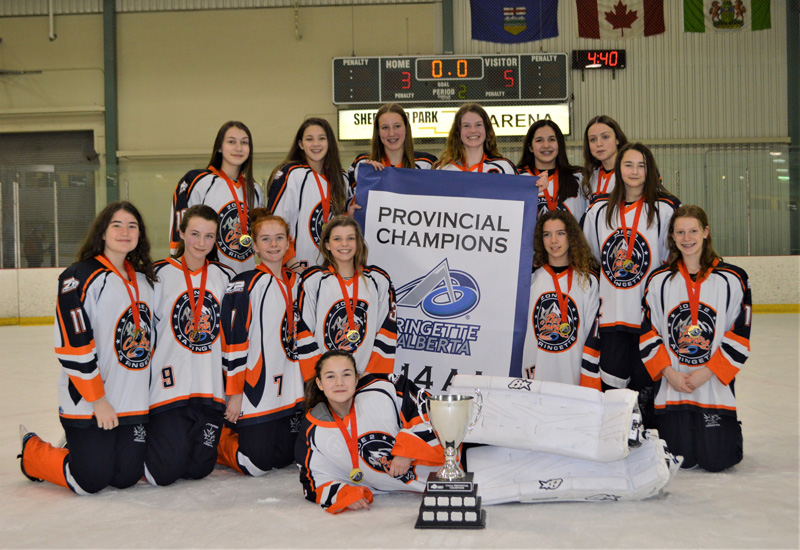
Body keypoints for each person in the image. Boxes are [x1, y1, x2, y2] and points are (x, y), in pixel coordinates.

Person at [18, 201, 156, 494]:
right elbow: (74, 345)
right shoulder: (77, 277)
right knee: (89, 481)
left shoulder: (144, 280)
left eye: (132, 226)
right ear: (102, 233)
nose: (124, 232)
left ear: (140, 235)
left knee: (125, 477)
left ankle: (80, 446)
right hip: (90, 401)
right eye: (116, 225)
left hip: (131, 402)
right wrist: (98, 400)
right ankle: (33, 452)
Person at [640, 205, 750, 471]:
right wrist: (669, 373)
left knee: (718, 461)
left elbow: (740, 333)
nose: (687, 238)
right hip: (673, 387)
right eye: (680, 232)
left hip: (712, 386)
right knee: (680, 460)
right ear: (673, 236)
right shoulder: (658, 280)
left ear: (705, 232)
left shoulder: (733, 278)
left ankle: (730, 429)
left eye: (693, 231)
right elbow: (648, 332)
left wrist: (708, 371)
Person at [581, 143, 680, 426]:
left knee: (646, 390)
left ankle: (648, 443)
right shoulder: (599, 209)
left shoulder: (666, 207)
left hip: (649, 320)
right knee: (613, 390)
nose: (635, 172)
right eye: (628, 165)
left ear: (650, 170)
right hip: (612, 317)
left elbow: (676, 257)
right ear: (618, 169)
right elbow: (588, 257)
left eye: (641, 166)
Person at [145, 204, 235, 486]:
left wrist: (234, 388)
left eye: (209, 236)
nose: (201, 243)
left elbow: (234, 341)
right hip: (169, 390)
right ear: (181, 233)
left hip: (209, 390)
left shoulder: (224, 277)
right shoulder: (157, 275)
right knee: (164, 473)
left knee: (198, 469)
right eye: (195, 234)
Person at [295, 350, 444, 514]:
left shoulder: (383, 390)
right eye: (330, 376)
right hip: (407, 502)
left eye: (346, 375)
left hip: (454, 473)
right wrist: (345, 494)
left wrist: (407, 450)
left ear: (357, 378)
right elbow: (312, 480)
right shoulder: (313, 427)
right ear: (320, 383)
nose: (339, 383)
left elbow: (432, 411)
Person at [218, 210, 305, 476]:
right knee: (254, 464)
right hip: (257, 391)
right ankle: (221, 439)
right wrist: (234, 395)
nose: (274, 244)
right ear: (254, 246)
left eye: (279, 238)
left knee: (288, 457)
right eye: (265, 239)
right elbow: (233, 342)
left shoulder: (299, 282)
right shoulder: (243, 284)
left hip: (291, 390)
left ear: (289, 241)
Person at [295, 215, 397, 382]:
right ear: (327, 245)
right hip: (325, 380)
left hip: (365, 376)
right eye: (337, 239)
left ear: (358, 243)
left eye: (351, 238)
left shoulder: (379, 279)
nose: (344, 244)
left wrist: (372, 376)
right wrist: (319, 378)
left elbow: (387, 330)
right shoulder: (312, 280)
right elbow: (303, 331)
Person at [169, 121, 264, 275]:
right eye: (231, 142)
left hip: (245, 277)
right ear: (219, 147)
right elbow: (180, 231)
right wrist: (178, 271)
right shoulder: (197, 181)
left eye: (244, 143)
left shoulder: (255, 190)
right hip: (208, 277)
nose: (238, 148)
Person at [521, 210, 601, 389]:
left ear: (571, 237)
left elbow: (591, 335)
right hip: (536, 377)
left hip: (573, 376)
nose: (553, 241)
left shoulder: (587, 281)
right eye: (547, 235)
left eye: (560, 233)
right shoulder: (531, 280)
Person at [268, 118, 353, 272]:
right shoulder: (291, 174)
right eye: (309, 139)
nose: (316, 144)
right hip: (296, 271)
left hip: (332, 272)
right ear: (300, 144)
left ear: (329, 143)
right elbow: (275, 224)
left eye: (321, 138)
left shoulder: (341, 178)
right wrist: (294, 266)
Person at [348, 103, 437, 188]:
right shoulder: (362, 163)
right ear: (378, 132)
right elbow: (349, 201)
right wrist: (366, 174)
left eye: (397, 126)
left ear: (406, 128)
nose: (391, 134)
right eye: (385, 127)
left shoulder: (427, 164)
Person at [518, 120, 586, 220]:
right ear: (530, 147)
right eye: (539, 140)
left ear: (559, 144)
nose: (546, 145)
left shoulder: (579, 176)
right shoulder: (517, 177)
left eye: (552, 139)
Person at [434, 103, 517, 174]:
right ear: (457, 132)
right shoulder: (442, 170)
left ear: (487, 129)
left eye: (478, 125)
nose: (473, 130)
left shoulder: (504, 167)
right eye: (466, 125)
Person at [581, 115, 629, 200]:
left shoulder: (634, 172)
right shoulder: (590, 178)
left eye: (605, 137)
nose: (599, 144)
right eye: (593, 139)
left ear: (617, 139)